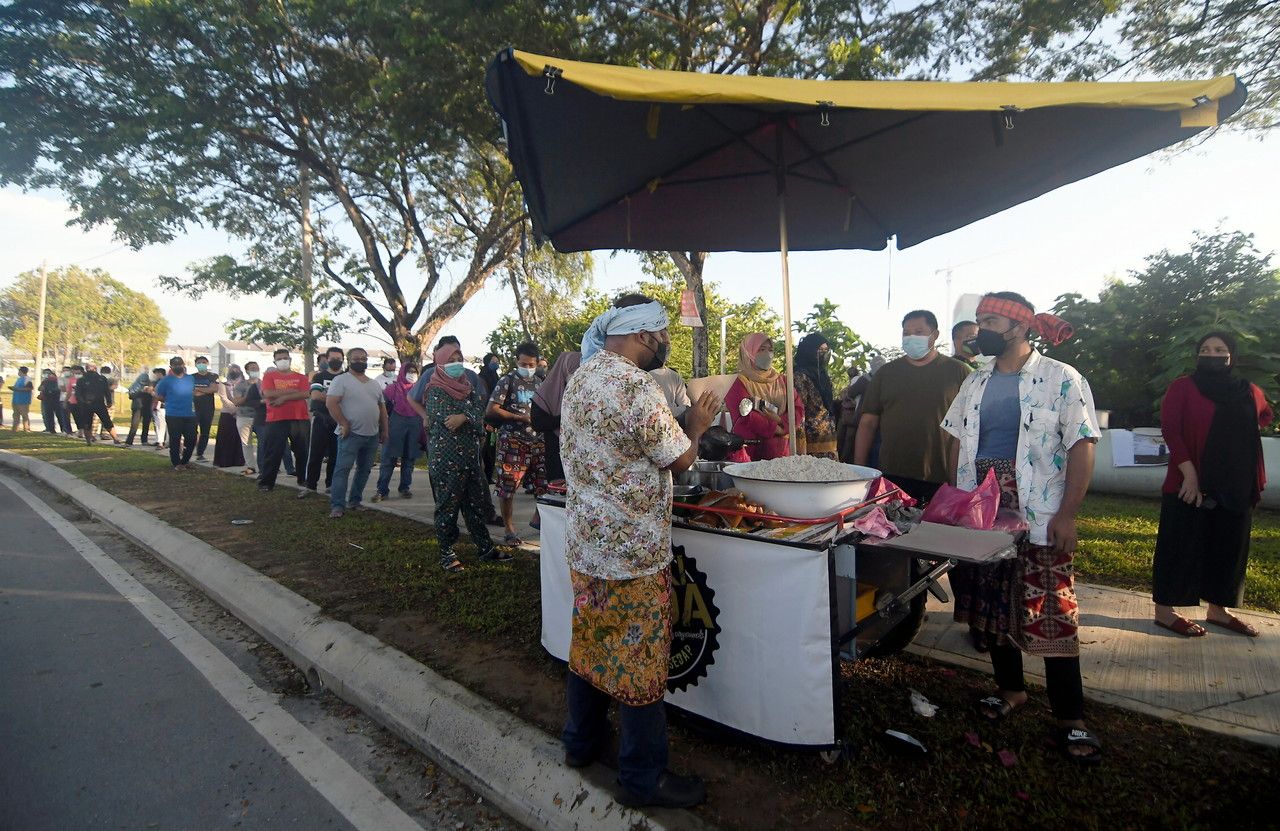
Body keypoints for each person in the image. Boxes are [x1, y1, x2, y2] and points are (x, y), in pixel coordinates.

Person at [559, 294, 721, 808]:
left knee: (589, 644)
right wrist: (696, 423)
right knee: (641, 663)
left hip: (587, 545)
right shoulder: (635, 385)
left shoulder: (581, 375)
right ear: (644, 337)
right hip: (631, 554)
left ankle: (580, 744)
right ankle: (643, 776)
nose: (662, 348)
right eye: (660, 339)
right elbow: (677, 462)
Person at [941, 291, 1103, 765]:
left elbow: (1082, 444)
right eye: (978, 321)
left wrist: (1068, 513)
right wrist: (960, 501)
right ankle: (1010, 691)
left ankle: (1071, 719)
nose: (979, 330)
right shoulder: (976, 381)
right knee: (990, 602)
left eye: (989, 320)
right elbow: (955, 439)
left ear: (1017, 327)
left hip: (1040, 510)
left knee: (1049, 605)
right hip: (985, 507)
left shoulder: (1061, 379)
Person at [1152, 331, 1271, 638]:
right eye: (1205, 348)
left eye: (1219, 349)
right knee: (1180, 543)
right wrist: (1190, 473)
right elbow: (1171, 430)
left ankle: (1219, 610)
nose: (1212, 353)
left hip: (1236, 484)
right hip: (1188, 481)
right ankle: (1165, 612)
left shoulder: (1250, 391)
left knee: (1229, 548)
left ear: (1231, 355)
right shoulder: (1183, 387)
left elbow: (1264, 417)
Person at [855, 310, 970, 502]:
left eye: (918, 332)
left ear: (935, 335)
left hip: (940, 477)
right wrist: (860, 471)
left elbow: (969, 427)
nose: (911, 337)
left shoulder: (958, 372)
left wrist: (958, 482)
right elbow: (868, 424)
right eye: (906, 333)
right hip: (892, 476)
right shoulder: (886, 373)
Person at [423, 343, 509, 570]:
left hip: (471, 458)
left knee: (475, 507)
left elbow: (480, 412)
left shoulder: (468, 387)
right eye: (451, 360)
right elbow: (447, 420)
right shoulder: (435, 390)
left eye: (459, 359)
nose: (456, 364)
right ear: (440, 363)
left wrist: (465, 416)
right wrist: (467, 417)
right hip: (447, 460)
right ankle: (447, 554)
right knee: (447, 508)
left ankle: (485, 548)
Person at [486, 341, 547, 545]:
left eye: (531, 364)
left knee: (544, 485)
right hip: (512, 440)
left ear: (537, 363)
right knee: (508, 486)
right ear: (516, 361)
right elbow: (492, 409)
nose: (527, 368)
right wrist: (518, 417)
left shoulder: (541, 382)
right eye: (523, 364)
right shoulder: (507, 381)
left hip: (537, 440)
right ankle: (509, 528)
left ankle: (539, 521)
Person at [325, 348, 388, 518]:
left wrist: (385, 430)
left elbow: (382, 408)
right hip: (350, 434)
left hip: (372, 434)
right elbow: (331, 403)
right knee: (342, 470)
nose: (360, 361)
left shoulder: (374, 384)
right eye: (356, 358)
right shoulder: (341, 380)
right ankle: (337, 505)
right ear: (349, 360)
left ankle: (355, 501)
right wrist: (343, 423)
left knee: (364, 469)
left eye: (363, 358)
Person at [724, 333, 803, 462]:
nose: (768, 354)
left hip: (780, 451)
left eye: (770, 350)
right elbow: (745, 413)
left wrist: (782, 423)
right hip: (750, 451)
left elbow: (797, 408)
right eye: (761, 349)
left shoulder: (783, 381)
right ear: (748, 352)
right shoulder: (738, 382)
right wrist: (776, 428)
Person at [258, 349, 311, 492]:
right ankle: (267, 482)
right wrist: (294, 392)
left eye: (285, 358)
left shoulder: (301, 377)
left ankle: (302, 479)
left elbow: (306, 393)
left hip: (299, 418)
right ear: (274, 361)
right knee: (273, 451)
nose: (283, 360)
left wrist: (283, 397)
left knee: (302, 451)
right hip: (276, 419)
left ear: (290, 360)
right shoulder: (269, 376)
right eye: (279, 358)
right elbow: (268, 393)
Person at [299, 346, 345, 499]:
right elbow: (316, 396)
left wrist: (329, 396)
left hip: (339, 420)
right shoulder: (319, 376)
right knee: (315, 454)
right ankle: (310, 485)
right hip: (321, 418)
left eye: (339, 358)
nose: (335, 361)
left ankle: (331, 485)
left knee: (335, 454)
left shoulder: (346, 377)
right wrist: (336, 398)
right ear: (327, 359)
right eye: (332, 358)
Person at [531, 351, 583, 483]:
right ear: (564, 370)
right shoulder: (545, 394)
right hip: (556, 457)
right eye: (574, 371)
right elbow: (537, 423)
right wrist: (565, 418)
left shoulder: (584, 391)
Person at [374, 360, 422, 501]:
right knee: (388, 460)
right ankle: (382, 490)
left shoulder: (420, 390)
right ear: (402, 373)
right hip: (394, 427)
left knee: (409, 460)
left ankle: (405, 488)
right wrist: (382, 428)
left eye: (414, 372)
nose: (412, 375)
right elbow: (382, 409)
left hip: (414, 428)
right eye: (409, 372)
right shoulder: (392, 389)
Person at [793, 333, 838, 458]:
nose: (823, 354)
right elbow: (798, 411)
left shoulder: (822, 374)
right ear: (809, 351)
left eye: (825, 350)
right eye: (819, 350)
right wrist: (800, 447)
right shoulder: (800, 376)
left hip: (829, 438)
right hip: (810, 443)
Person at [153, 357, 199, 470]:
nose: (178, 367)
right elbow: (159, 395)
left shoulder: (190, 378)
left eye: (180, 364)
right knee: (175, 439)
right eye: (175, 365)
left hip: (189, 413)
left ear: (184, 365)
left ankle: (185, 461)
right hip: (173, 414)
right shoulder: (166, 380)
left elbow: (192, 392)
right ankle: (176, 463)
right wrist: (169, 401)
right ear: (171, 367)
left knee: (192, 438)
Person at [75, 364, 120, 445]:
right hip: (93, 403)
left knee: (101, 422)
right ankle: (90, 441)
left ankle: (115, 438)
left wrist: (109, 401)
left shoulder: (100, 379)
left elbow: (106, 391)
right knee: (91, 423)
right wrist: (109, 401)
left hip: (95, 403)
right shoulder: (84, 380)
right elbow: (78, 394)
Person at [212, 365, 246, 468]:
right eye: (232, 370)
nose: (234, 371)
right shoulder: (223, 384)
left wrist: (239, 410)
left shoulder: (245, 384)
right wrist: (234, 410)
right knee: (226, 438)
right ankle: (224, 461)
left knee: (238, 438)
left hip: (242, 413)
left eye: (237, 369)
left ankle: (238, 460)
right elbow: (224, 398)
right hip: (227, 414)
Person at [230, 361, 261, 475]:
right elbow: (237, 401)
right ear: (247, 371)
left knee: (263, 442)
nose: (255, 370)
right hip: (244, 416)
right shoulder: (241, 385)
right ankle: (251, 466)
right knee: (246, 443)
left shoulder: (264, 383)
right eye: (252, 368)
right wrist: (249, 395)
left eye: (256, 368)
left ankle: (265, 465)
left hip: (261, 417)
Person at [479, 353, 502, 488]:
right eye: (493, 361)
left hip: (494, 420)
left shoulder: (496, 378)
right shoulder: (481, 378)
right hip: (484, 419)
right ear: (487, 362)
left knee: (491, 449)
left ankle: (488, 476)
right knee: (484, 448)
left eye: (497, 361)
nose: (496, 364)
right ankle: (482, 476)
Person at [190, 356, 219, 461]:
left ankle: (200, 453)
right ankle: (190, 449)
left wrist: (198, 389)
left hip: (208, 408)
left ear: (207, 364)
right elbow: (190, 391)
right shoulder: (191, 377)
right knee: (192, 430)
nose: (201, 364)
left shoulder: (213, 376)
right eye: (199, 362)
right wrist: (205, 390)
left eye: (203, 362)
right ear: (196, 364)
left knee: (205, 431)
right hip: (193, 407)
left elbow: (214, 389)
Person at [124, 368, 157, 445]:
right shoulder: (135, 386)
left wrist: (150, 390)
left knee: (146, 424)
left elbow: (154, 394)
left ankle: (144, 440)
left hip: (147, 406)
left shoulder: (151, 384)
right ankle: (129, 441)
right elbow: (131, 396)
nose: (144, 382)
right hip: (137, 407)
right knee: (134, 424)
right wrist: (141, 391)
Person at [98, 365, 118, 439]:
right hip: (103, 401)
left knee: (106, 418)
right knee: (104, 418)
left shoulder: (111, 379)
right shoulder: (98, 379)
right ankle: (98, 434)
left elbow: (114, 386)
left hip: (108, 401)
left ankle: (104, 433)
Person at [10, 366, 33, 431]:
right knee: (15, 415)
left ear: (21, 371)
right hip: (16, 399)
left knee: (24, 415)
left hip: (23, 401)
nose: (18, 372)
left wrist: (18, 389)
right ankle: (15, 428)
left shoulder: (27, 379)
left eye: (19, 371)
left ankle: (26, 428)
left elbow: (29, 388)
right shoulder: (19, 379)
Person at [38, 369, 60, 433]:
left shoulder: (57, 381)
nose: (46, 374)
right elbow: (39, 388)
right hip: (46, 399)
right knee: (47, 415)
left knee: (58, 415)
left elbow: (58, 389)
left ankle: (62, 429)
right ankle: (49, 428)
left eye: (48, 373)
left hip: (55, 399)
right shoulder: (45, 381)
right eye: (45, 373)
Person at [55, 366, 74, 434]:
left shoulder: (73, 378)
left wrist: (69, 389)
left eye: (67, 370)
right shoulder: (61, 378)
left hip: (74, 399)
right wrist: (71, 389)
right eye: (64, 371)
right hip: (63, 398)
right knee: (65, 415)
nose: (66, 372)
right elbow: (62, 389)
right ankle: (67, 430)